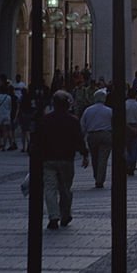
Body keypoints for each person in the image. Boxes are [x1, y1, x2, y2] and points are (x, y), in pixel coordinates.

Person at [34, 91, 88, 230]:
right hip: (66, 159)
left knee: (50, 189)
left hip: (48, 159)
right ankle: (65, 214)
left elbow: (38, 140)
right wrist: (84, 154)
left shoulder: (45, 119)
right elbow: (78, 139)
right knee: (65, 189)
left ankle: (53, 216)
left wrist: (34, 155)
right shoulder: (73, 120)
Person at [80, 89, 113, 188]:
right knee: (103, 158)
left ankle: (96, 176)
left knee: (94, 157)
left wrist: (83, 136)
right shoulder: (109, 110)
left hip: (92, 135)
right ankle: (100, 179)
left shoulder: (88, 110)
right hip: (105, 134)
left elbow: (83, 125)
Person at [124, 88, 137, 176]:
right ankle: (132, 165)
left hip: (126, 127)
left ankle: (128, 163)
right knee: (134, 147)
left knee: (126, 147)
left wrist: (129, 127)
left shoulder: (124, 105)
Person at [0, 85, 14, 151]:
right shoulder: (9, 97)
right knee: (5, 130)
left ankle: (0, 142)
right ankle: (4, 145)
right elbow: (10, 106)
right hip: (7, 114)